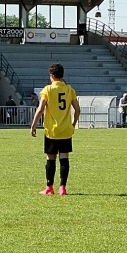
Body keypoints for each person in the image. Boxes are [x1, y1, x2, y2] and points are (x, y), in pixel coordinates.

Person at [30, 63, 80, 196]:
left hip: (52, 131)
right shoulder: (69, 89)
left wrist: (33, 125)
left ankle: (49, 187)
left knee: (50, 158)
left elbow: (40, 109)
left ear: (51, 75)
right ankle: (63, 188)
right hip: (65, 130)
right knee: (64, 157)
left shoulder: (47, 90)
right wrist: (73, 123)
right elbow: (78, 109)